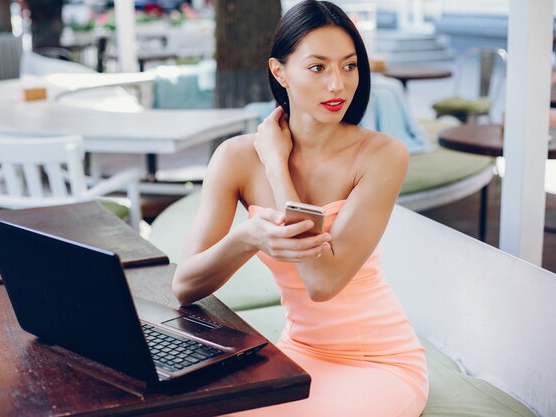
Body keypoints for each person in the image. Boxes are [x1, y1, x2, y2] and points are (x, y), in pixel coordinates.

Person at [171, 1, 428, 415]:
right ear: (279, 71)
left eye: (349, 66)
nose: (338, 85)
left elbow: (322, 283)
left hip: (378, 361)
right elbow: (186, 286)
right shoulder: (235, 157)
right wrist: (246, 236)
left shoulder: (381, 155)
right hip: (298, 354)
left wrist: (276, 166)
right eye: (318, 67)